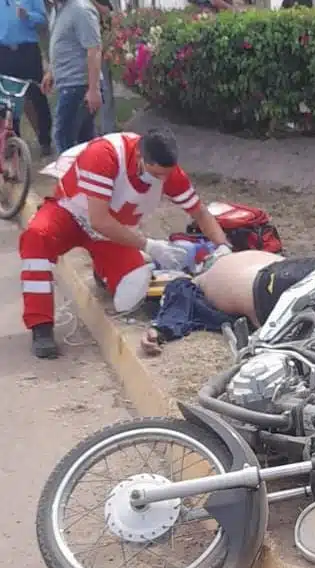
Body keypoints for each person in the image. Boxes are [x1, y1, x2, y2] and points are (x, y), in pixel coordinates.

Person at [19, 127, 232, 359]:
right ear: (140, 157)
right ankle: (41, 326)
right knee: (36, 237)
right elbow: (98, 220)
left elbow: (200, 212)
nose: (162, 180)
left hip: (114, 232)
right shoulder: (105, 154)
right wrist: (150, 246)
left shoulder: (169, 172)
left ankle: (106, 273)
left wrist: (223, 248)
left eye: (165, 175)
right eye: (157, 173)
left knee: (130, 296)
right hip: (71, 213)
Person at [140, 249, 315, 355]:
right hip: (275, 284)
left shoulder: (212, 273)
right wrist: (160, 328)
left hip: (281, 280)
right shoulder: (198, 279)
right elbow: (177, 298)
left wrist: (160, 328)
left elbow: (178, 300)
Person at [42, 0, 103, 152]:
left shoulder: (81, 10)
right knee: (84, 141)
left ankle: (68, 174)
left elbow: (94, 50)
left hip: (79, 86)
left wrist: (94, 89)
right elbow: (62, 43)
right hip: (68, 85)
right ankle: (88, 173)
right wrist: (51, 72)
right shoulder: (58, 10)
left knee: (63, 137)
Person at [0, 0, 53, 155]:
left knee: (37, 95)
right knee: (7, 100)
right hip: (4, 53)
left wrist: (28, 16)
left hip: (27, 51)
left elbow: (43, 19)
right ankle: (14, 143)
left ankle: (45, 140)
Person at [90, 0, 117, 135]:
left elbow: (107, 11)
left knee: (105, 91)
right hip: (84, 50)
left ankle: (109, 130)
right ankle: (91, 132)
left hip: (101, 48)